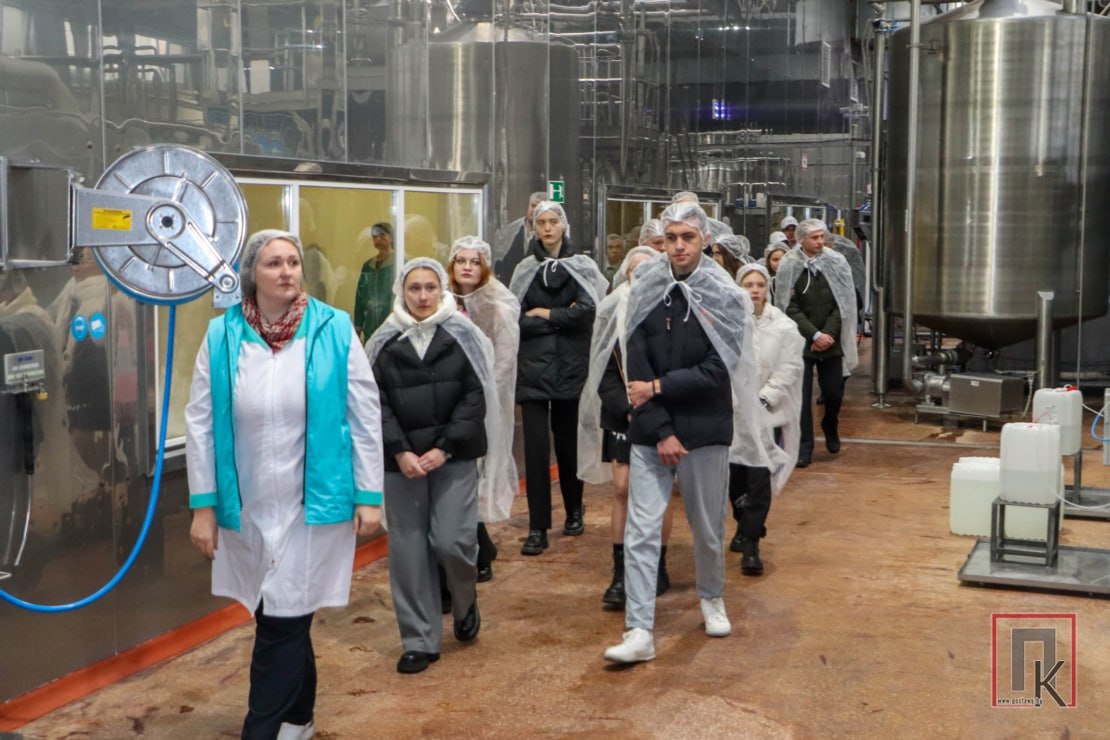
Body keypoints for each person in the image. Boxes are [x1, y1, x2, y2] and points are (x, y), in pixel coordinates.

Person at [185, 229, 384, 739]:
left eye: (293, 262)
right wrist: (204, 506)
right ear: (252, 274)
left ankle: (261, 729)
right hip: (247, 505)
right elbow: (201, 422)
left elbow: (364, 415)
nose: (287, 271)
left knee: (283, 620)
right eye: (274, 263)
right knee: (277, 613)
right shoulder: (222, 335)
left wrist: (368, 494)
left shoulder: (334, 328)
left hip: (312, 505)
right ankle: (299, 717)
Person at [603, 202, 783, 664]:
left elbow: (718, 370)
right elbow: (635, 372)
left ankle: (711, 596)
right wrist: (661, 429)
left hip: (705, 430)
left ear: (705, 238)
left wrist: (659, 387)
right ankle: (639, 629)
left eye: (688, 237)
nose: (679, 246)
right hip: (652, 432)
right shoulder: (646, 289)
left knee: (706, 526)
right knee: (642, 531)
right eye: (671, 238)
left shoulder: (725, 296)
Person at [367, 257, 509, 675]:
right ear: (402, 292)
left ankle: (464, 600)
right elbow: (374, 402)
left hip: (453, 457)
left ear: (442, 290)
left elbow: (475, 397)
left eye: (430, 287)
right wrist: (400, 451)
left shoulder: (463, 335)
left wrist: (444, 448)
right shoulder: (384, 341)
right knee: (409, 552)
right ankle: (418, 640)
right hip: (402, 464)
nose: (423, 296)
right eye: (414, 288)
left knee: (452, 542)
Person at [578, 246, 675, 608]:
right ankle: (620, 572)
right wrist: (625, 408)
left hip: (660, 410)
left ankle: (657, 566)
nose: (641, 277)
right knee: (622, 489)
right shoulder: (609, 312)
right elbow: (601, 369)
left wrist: (652, 407)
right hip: (622, 413)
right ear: (626, 275)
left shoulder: (670, 310)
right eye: (635, 271)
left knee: (659, 489)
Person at [509, 201, 607, 556]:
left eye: (553, 222)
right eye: (541, 223)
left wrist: (546, 314)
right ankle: (537, 527)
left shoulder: (582, 266)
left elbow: (588, 310)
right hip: (532, 372)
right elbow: (515, 318)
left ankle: (574, 510)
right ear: (534, 228)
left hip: (570, 369)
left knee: (568, 446)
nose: (548, 228)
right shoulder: (524, 270)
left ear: (564, 226)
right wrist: (560, 318)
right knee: (536, 453)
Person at [448, 236, 520, 582]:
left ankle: (478, 548)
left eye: (474, 262)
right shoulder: (443, 302)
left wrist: (482, 396)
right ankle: (477, 546)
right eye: (461, 261)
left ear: (485, 267)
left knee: (472, 476)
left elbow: (504, 360)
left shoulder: (498, 307)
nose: (467, 267)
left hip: (481, 404)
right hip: (444, 402)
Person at [728, 263, 803, 575]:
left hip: (766, 416)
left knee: (759, 480)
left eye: (760, 285)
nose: (755, 290)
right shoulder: (726, 323)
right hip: (732, 415)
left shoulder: (784, 327)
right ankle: (743, 522)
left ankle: (752, 543)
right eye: (748, 285)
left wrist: (764, 398)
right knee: (734, 480)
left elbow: (790, 366)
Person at [773, 218, 858, 469]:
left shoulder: (836, 262)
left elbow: (843, 303)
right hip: (802, 342)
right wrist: (813, 335)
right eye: (815, 238)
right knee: (801, 398)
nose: (820, 242)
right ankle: (804, 447)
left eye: (822, 237)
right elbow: (788, 306)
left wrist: (827, 334)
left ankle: (830, 424)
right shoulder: (789, 265)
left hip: (831, 341)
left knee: (833, 393)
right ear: (801, 240)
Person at [493, 191, 546, 283]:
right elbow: (498, 261)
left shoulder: (548, 235)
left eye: (539, 208)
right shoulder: (510, 230)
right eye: (533, 206)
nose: (534, 210)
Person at [353, 222, 394, 341]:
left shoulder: (400, 263)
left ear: (391, 236)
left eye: (382, 235)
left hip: (393, 328)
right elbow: (360, 299)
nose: (378, 239)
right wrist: (357, 328)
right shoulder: (368, 266)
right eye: (375, 236)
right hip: (370, 329)